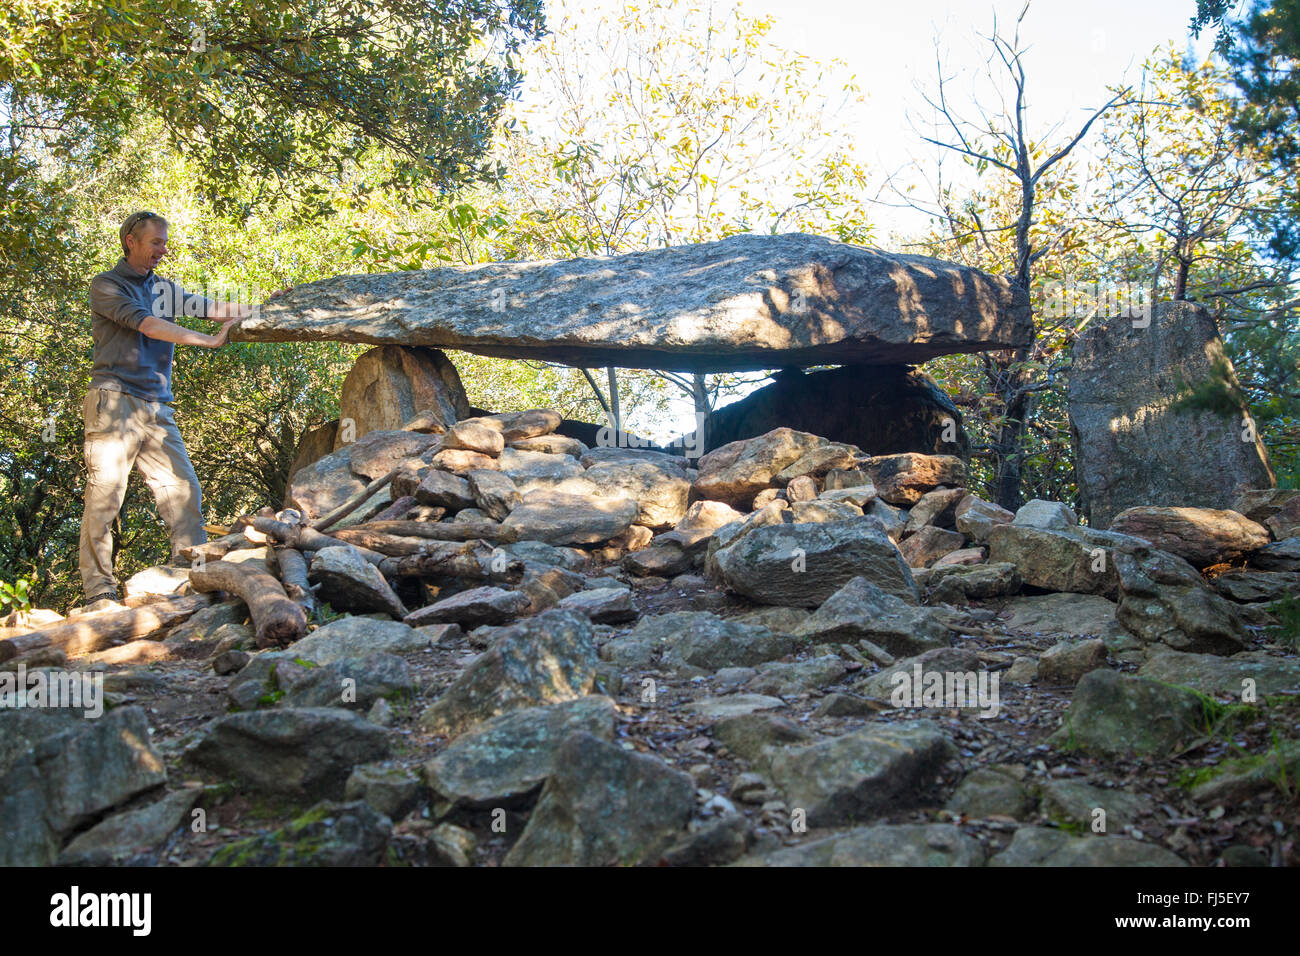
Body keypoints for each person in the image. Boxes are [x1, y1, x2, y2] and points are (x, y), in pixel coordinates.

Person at [78, 211, 255, 612]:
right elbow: (148, 325)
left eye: (164, 241)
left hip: (158, 407)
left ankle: (186, 574)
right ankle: (99, 593)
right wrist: (208, 342)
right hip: (113, 401)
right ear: (130, 241)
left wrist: (264, 307)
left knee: (184, 491)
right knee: (106, 497)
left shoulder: (165, 288)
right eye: (156, 242)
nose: (163, 249)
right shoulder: (107, 284)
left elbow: (214, 309)